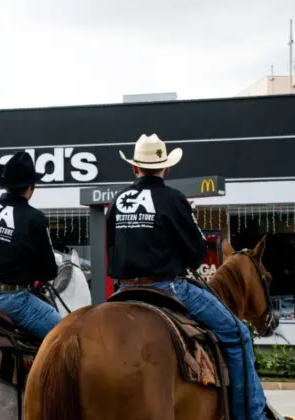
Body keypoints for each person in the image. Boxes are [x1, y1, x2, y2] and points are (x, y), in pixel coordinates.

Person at [106, 133, 271, 420]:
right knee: (238, 335)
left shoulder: (118, 200)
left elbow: (111, 248)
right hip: (169, 288)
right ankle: (252, 416)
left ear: (134, 168)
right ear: (166, 168)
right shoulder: (173, 199)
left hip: (123, 291)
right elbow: (196, 252)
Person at [0, 151, 60, 341]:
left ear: (5, 185)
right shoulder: (34, 218)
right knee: (64, 335)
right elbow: (49, 270)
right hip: (11, 300)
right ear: (31, 187)